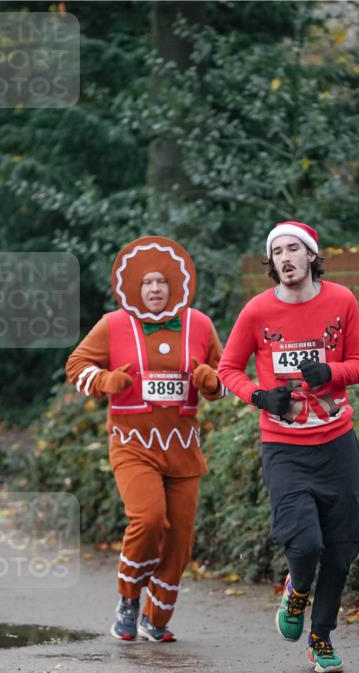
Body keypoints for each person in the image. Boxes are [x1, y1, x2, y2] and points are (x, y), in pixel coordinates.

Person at [217, 221, 359, 673]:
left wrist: (331, 373)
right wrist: (260, 397)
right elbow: (228, 369)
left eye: (293, 250)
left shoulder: (342, 301)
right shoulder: (257, 312)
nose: (285, 258)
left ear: (310, 256)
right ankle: (296, 590)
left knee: (342, 548)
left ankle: (320, 639)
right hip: (284, 445)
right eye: (277, 252)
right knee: (303, 544)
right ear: (272, 263)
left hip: (337, 442)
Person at [66, 235, 225, 642]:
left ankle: (156, 618)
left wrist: (210, 381)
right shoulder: (113, 324)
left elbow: (226, 378)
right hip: (132, 443)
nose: (155, 289)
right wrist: (105, 379)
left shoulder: (200, 324)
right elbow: (76, 365)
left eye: (162, 282)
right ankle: (128, 598)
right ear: (135, 287)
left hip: (184, 448)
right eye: (147, 283)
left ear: (175, 285)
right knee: (149, 517)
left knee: (179, 540)